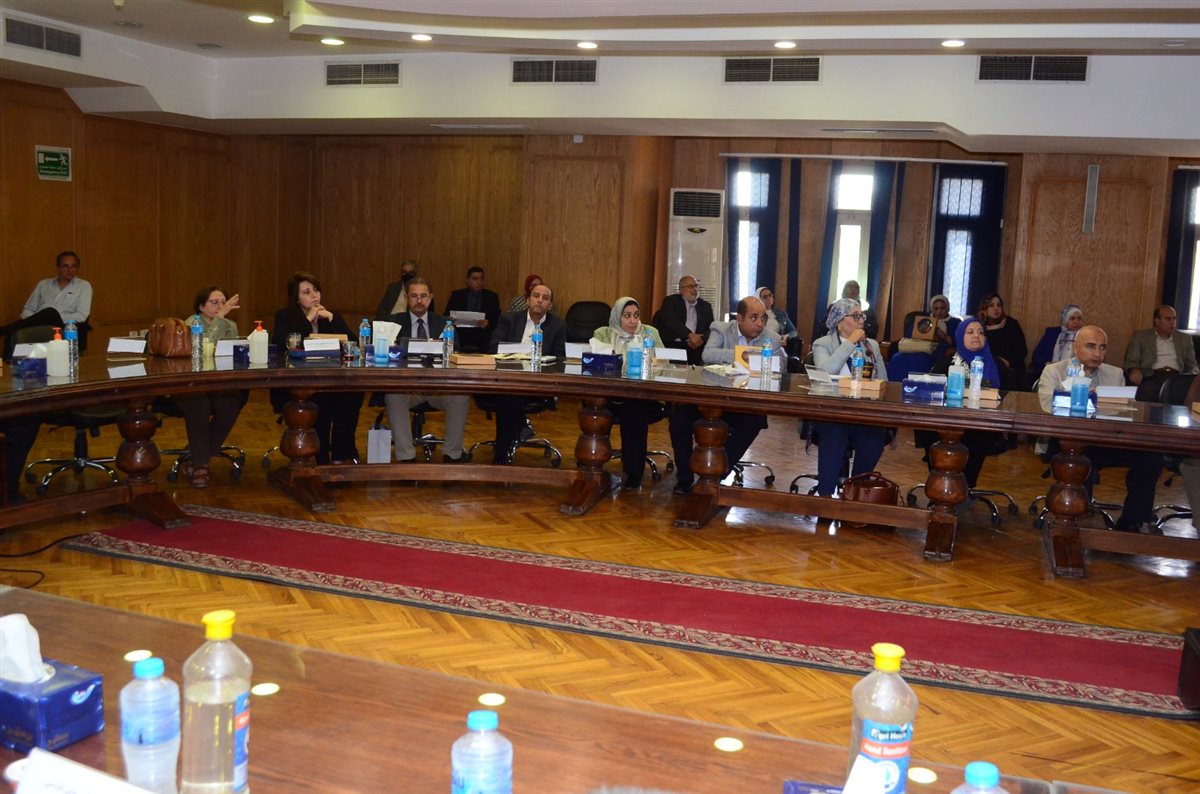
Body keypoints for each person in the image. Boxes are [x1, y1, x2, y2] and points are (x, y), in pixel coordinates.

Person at [1038, 325, 1163, 533]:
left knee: (1151, 455)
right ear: (1075, 347)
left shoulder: (1115, 374)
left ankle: (1133, 520)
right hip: (1067, 441)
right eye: (1091, 346)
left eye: (1102, 347)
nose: (1097, 353)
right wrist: (1088, 397)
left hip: (1104, 441)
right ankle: (1073, 519)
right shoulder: (1054, 371)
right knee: (1078, 457)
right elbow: (1046, 406)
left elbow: (1121, 413)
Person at [669, 295, 779, 495]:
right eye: (754, 317)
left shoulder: (772, 338)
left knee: (754, 421)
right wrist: (742, 354)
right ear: (739, 318)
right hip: (708, 402)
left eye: (763, 318)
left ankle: (716, 474)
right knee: (679, 419)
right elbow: (708, 355)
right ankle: (684, 478)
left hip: (744, 406)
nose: (760, 323)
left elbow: (780, 370)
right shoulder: (720, 329)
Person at [270, 271, 363, 465]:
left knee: (353, 394)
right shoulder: (285, 316)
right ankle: (321, 455)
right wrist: (308, 320)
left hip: (331, 378)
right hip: (298, 382)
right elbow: (280, 346)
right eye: (307, 292)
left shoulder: (328, 316)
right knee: (321, 400)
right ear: (296, 298)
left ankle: (341, 454)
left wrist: (333, 319)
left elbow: (353, 343)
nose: (314, 295)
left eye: (316, 290)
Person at [914, 318, 1007, 491]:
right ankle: (940, 484)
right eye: (970, 332)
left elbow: (1007, 399)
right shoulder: (946, 363)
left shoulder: (997, 365)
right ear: (959, 336)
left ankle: (965, 487)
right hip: (945, 421)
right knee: (931, 432)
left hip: (982, 424)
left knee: (975, 436)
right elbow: (930, 390)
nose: (976, 335)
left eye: (980, 332)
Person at [383, 277, 469, 463]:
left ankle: (452, 454)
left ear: (430, 298)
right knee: (393, 395)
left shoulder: (445, 323)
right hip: (408, 389)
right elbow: (385, 354)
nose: (419, 300)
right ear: (407, 298)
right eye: (414, 296)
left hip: (440, 389)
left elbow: (456, 354)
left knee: (460, 397)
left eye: (423, 296)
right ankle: (406, 457)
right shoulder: (393, 323)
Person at [810, 298, 890, 497]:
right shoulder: (822, 343)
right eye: (855, 316)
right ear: (839, 322)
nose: (861, 320)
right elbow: (825, 373)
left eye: (862, 315)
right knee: (833, 438)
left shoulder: (871, 345)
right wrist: (850, 343)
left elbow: (884, 382)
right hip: (832, 413)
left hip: (864, 413)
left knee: (874, 438)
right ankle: (825, 498)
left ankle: (855, 492)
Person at [589, 297, 665, 490]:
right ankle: (592, 464)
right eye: (627, 316)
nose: (633, 321)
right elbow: (594, 364)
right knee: (595, 408)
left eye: (636, 316)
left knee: (635, 410)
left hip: (642, 396)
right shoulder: (603, 333)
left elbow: (665, 363)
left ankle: (633, 473)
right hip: (609, 395)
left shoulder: (649, 333)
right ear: (617, 317)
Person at [172, 287, 244, 488]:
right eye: (214, 302)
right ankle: (200, 465)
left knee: (231, 401)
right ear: (201, 306)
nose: (220, 306)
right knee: (199, 404)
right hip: (189, 385)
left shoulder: (231, 325)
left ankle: (197, 454)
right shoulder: (190, 323)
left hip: (218, 383)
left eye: (223, 301)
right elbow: (203, 349)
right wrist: (220, 319)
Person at [487, 283, 567, 464]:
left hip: (538, 385)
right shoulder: (509, 319)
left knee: (507, 396)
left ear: (550, 305)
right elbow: (493, 347)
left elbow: (560, 359)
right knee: (508, 393)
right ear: (527, 300)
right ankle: (520, 427)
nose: (540, 300)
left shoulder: (558, 325)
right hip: (508, 379)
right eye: (536, 296)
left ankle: (501, 453)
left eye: (545, 298)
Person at [1, 251, 92, 360]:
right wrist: (37, 320)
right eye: (65, 266)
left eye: (74, 266)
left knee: (50, 312)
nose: (70, 270)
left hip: (64, 327)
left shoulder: (84, 286)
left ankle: (4, 330)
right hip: (38, 325)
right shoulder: (43, 284)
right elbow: (28, 309)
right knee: (13, 334)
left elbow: (82, 315)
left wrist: (54, 317)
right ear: (58, 268)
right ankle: (7, 363)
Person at [1123, 305, 1199, 387]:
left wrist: (1188, 378)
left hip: (1176, 378)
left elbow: (1192, 366)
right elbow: (1132, 360)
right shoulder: (1141, 336)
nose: (1172, 322)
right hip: (1151, 377)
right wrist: (1134, 370)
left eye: (1174, 318)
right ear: (1157, 321)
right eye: (1168, 319)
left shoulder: (1185, 338)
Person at [654, 275, 714, 366]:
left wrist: (700, 338)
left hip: (694, 346)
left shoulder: (705, 306)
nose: (695, 289)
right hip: (672, 344)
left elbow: (711, 329)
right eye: (690, 286)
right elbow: (670, 320)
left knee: (697, 369)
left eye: (696, 286)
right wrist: (689, 335)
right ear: (681, 290)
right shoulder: (671, 301)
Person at [446, 266, 502, 352]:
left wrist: (488, 323)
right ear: (468, 280)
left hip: (483, 336)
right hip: (460, 334)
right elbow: (446, 315)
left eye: (481, 279)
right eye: (475, 279)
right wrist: (451, 320)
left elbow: (498, 319)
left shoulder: (492, 297)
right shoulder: (457, 296)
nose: (478, 282)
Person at [978, 292, 1027, 390]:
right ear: (984, 308)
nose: (996, 308)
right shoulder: (978, 326)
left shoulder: (1011, 324)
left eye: (999, 305)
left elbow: (1022, 350)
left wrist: (1008, 362)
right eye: (991, 305)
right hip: (985, 365)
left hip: (1010, 367)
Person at [1032, 304, 1084, 376]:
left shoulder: (1085, 335)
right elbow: (1036, 355)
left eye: (1079, 319)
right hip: (1051, 372)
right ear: (1065, 319)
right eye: (1072, 319)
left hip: (1075, 374)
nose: (1076, 322)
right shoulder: (1052, 333)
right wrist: (1047, 364)